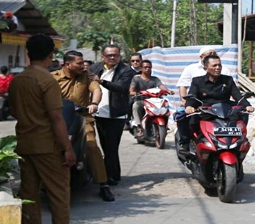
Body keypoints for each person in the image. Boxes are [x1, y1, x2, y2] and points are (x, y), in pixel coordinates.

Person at [8, 34, 76, 224]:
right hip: (48, 146)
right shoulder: (47, 80)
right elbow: (56, 118)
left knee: (29, 195)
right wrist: (68, 148)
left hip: (24, 144)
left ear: (28, 53)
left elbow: (14, 112)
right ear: (50, 55)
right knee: (59, 195)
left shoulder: (17, 80)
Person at [51, 50, 115, 202]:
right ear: (67, 64)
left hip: (82, 118)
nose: (83, 66)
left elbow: (97, 90)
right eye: (79, 63)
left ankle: (103, 184)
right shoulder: (53, 78)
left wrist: (94, 103)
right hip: (59, 120)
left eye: (83, 63)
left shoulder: (87, 76)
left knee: (92, 146)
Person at [89, 44, 135, 185]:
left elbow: (121, 88)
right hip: (98, 113)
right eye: (109, 55)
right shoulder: (95, 68)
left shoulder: (126, 71)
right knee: (103, 146)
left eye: (115, 55)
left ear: (120, 56)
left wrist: (101, 81)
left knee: (111, 146)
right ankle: (107, 174)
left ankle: (110, 176)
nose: (113, 58)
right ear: (103, 57)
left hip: (116, 114)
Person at [176, 47, 233, 152]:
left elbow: (232, 90)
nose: (217, 68)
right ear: (202, 58)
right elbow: (183, 87)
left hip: (220, 106)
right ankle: (185, 142)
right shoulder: (191, 70)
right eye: (208, 54)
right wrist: (187, 104)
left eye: (213, 53)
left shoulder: (225, 71)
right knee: (181, 115)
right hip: (199, 105)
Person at [185, 55, 254, 136]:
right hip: (205, 112)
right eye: (214, 65)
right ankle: (186, 143)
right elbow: (192, 95)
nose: (218, 68)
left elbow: (237, 95)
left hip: (225, 112)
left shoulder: (228, 80)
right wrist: (189, 106)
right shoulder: (197, 81)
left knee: (242, 115)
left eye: (219, 65)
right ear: (205, 68)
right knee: (186, 118)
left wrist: (247, 106)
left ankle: (240, 139)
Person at [129, 60, 174, 137]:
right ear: (141, 68)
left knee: (165, 105)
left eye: (149, 67)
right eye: (145, 67)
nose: (148, 69)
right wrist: (136, 93)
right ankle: (139, 127)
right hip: (142, 100)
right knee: (136, 106)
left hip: (153, 101)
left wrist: (168, 91)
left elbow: (161, 86)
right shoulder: (136, 79)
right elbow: (131, 90)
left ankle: (165, 125)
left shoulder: (155, 79)